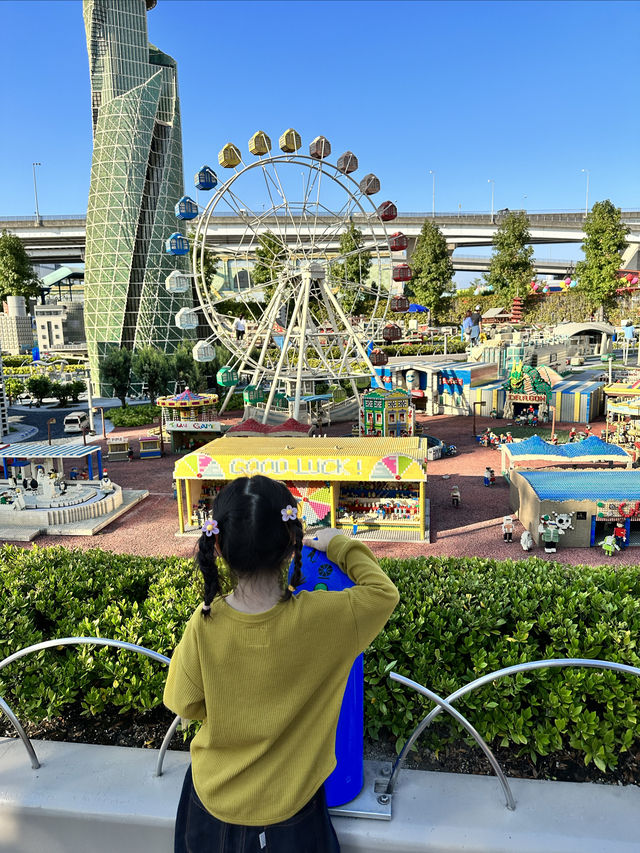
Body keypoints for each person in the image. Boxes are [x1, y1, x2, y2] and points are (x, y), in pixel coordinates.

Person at [164, 475, 399, 853]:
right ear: (293, 542)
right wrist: (339, 543)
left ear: (219, 546)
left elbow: (184, 703)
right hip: (293, 814)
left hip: (209, 807)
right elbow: (382, 593)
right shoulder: (326, 618)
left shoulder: (204, 622)